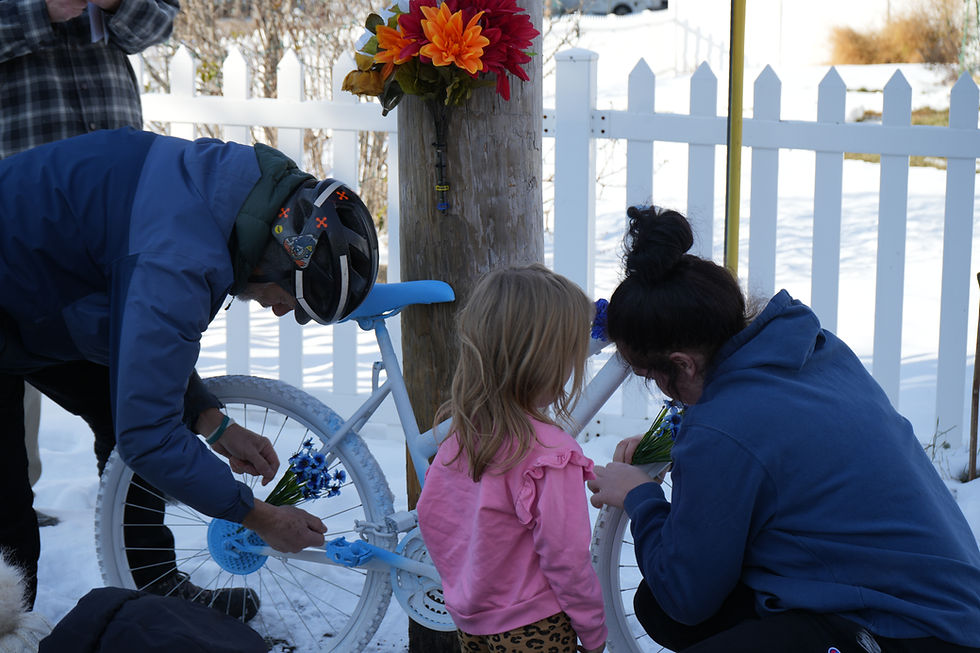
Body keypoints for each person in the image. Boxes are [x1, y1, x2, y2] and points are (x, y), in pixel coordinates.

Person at [0, 127, 379, 616]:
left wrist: (211, 420)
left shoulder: (231, 194)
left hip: (46, 298)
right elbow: (149, 435)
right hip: (23, 299)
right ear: (279, 258)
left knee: (122, 425)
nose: (284, 313)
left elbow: (145, 347)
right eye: (294, 301)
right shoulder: (181, 260)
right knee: (7, 519)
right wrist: (259, 516)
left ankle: (153, 604)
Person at [586, 205, 980, 653]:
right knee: (656, 605)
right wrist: (689, 446)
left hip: (914, 631)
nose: (661, 392)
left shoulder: (724, 429)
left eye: (649, 377)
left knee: (673, 601)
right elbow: (788, 440)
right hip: (949, 599)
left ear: (682, 363)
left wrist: (641, 497)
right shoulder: (813, 351)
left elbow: (686, 596)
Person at [1, 0, 180, 528]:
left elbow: (159, 23)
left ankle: (146, 577)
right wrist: (43, 11)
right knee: (10, 420)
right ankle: (15, 591)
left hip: (114, 203)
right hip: (20, 212)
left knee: (131, 397)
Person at [416, 264, 607, 653]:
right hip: (537, 626)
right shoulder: (551, 455)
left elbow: (433, 518)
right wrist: (594, 629)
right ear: (546, 361)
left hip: (473, 626)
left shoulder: (461, 437)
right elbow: (568, 561)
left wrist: (467, 590)